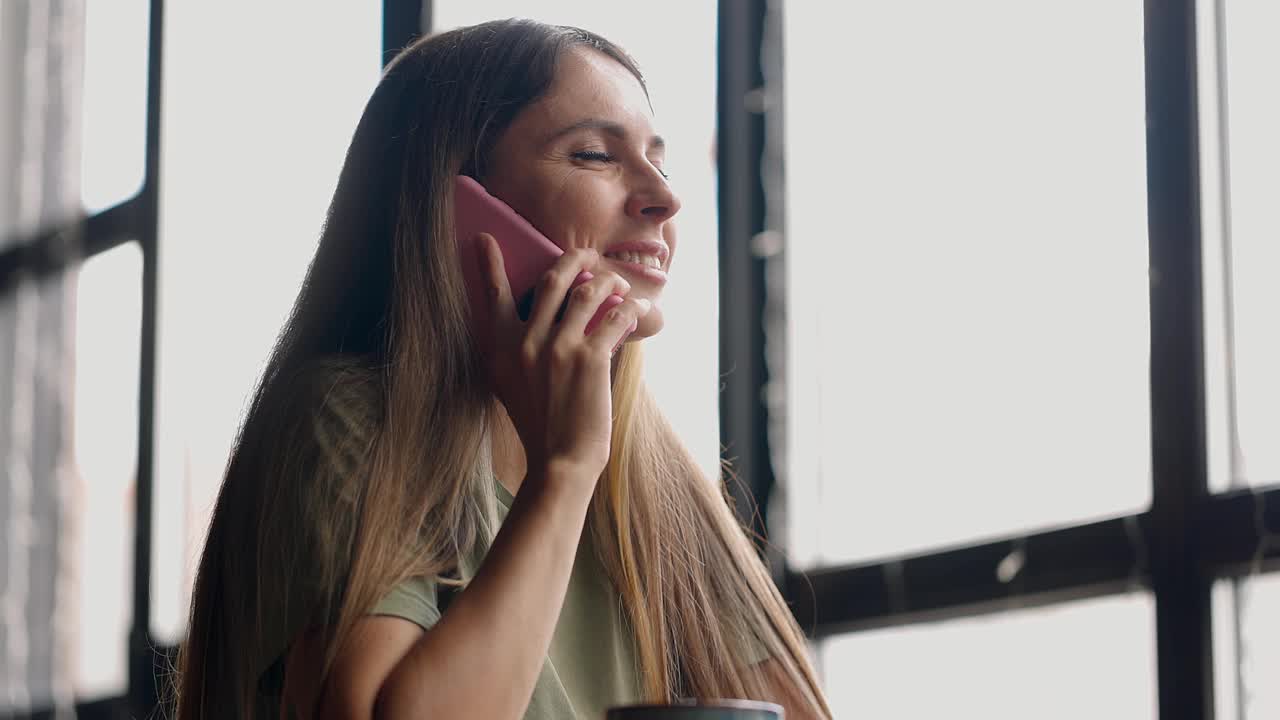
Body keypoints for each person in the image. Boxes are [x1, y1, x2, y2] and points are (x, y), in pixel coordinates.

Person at [172, 18, 832, 720]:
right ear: (456, 208)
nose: (663, 199)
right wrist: (566, 473)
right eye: (593, 156)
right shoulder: (343, 416)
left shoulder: (651, 475)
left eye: (659, 162)